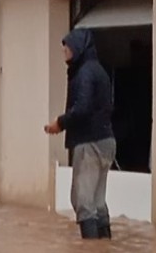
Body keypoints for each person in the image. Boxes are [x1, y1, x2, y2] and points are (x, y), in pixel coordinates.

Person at [44, 28, 116, 240]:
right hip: (106, 141)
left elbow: (83, 107)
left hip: (89, 143)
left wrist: (60, 122)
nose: (64, 51)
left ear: (78, 47)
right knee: (97, 201)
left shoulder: (84, 72)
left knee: (83, 202)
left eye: (67, 46)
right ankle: (104, 252)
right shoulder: (98, 70)